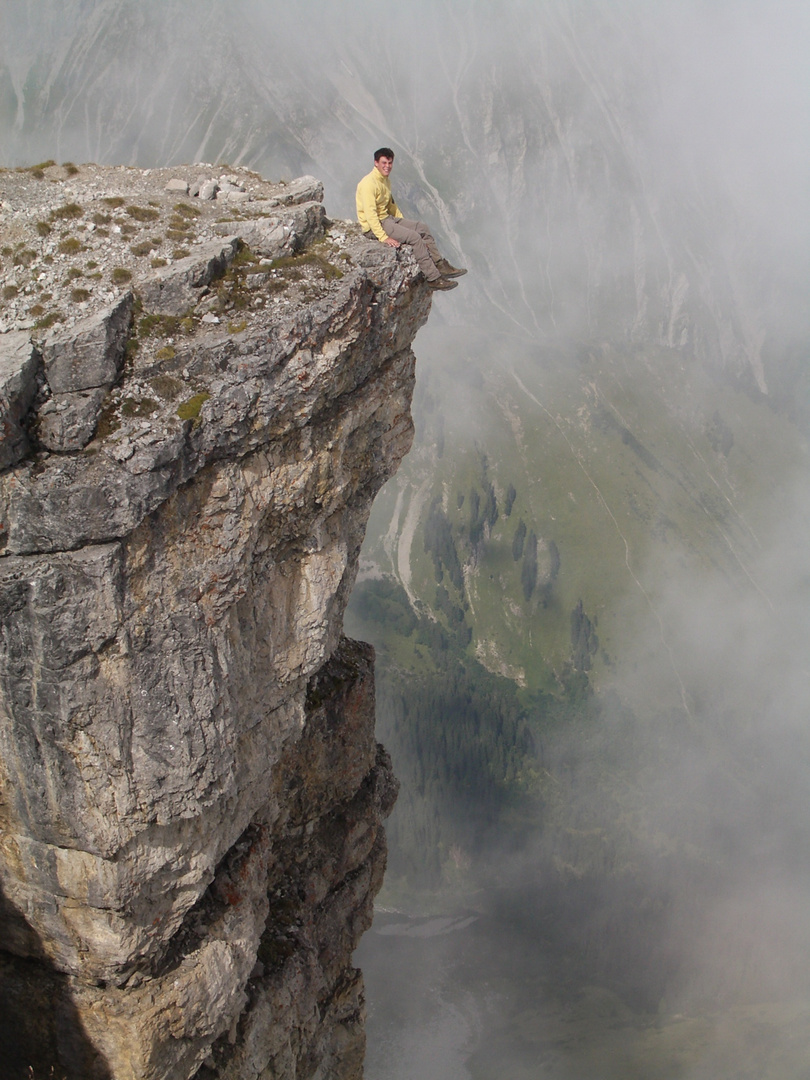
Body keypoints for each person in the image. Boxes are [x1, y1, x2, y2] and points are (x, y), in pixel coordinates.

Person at [356, 148, 467, 291]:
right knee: (414, 238)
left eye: (390, 163)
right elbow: (370, 215)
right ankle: (433, 278)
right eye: (384, 162)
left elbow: (391, 205)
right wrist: (383, 237)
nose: (387, 166)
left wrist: (402, 224)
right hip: (375, 226)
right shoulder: (368, 184)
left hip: (387, 219)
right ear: (376, 163)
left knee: (422, 228)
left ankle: (440, 264)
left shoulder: (385, 180)